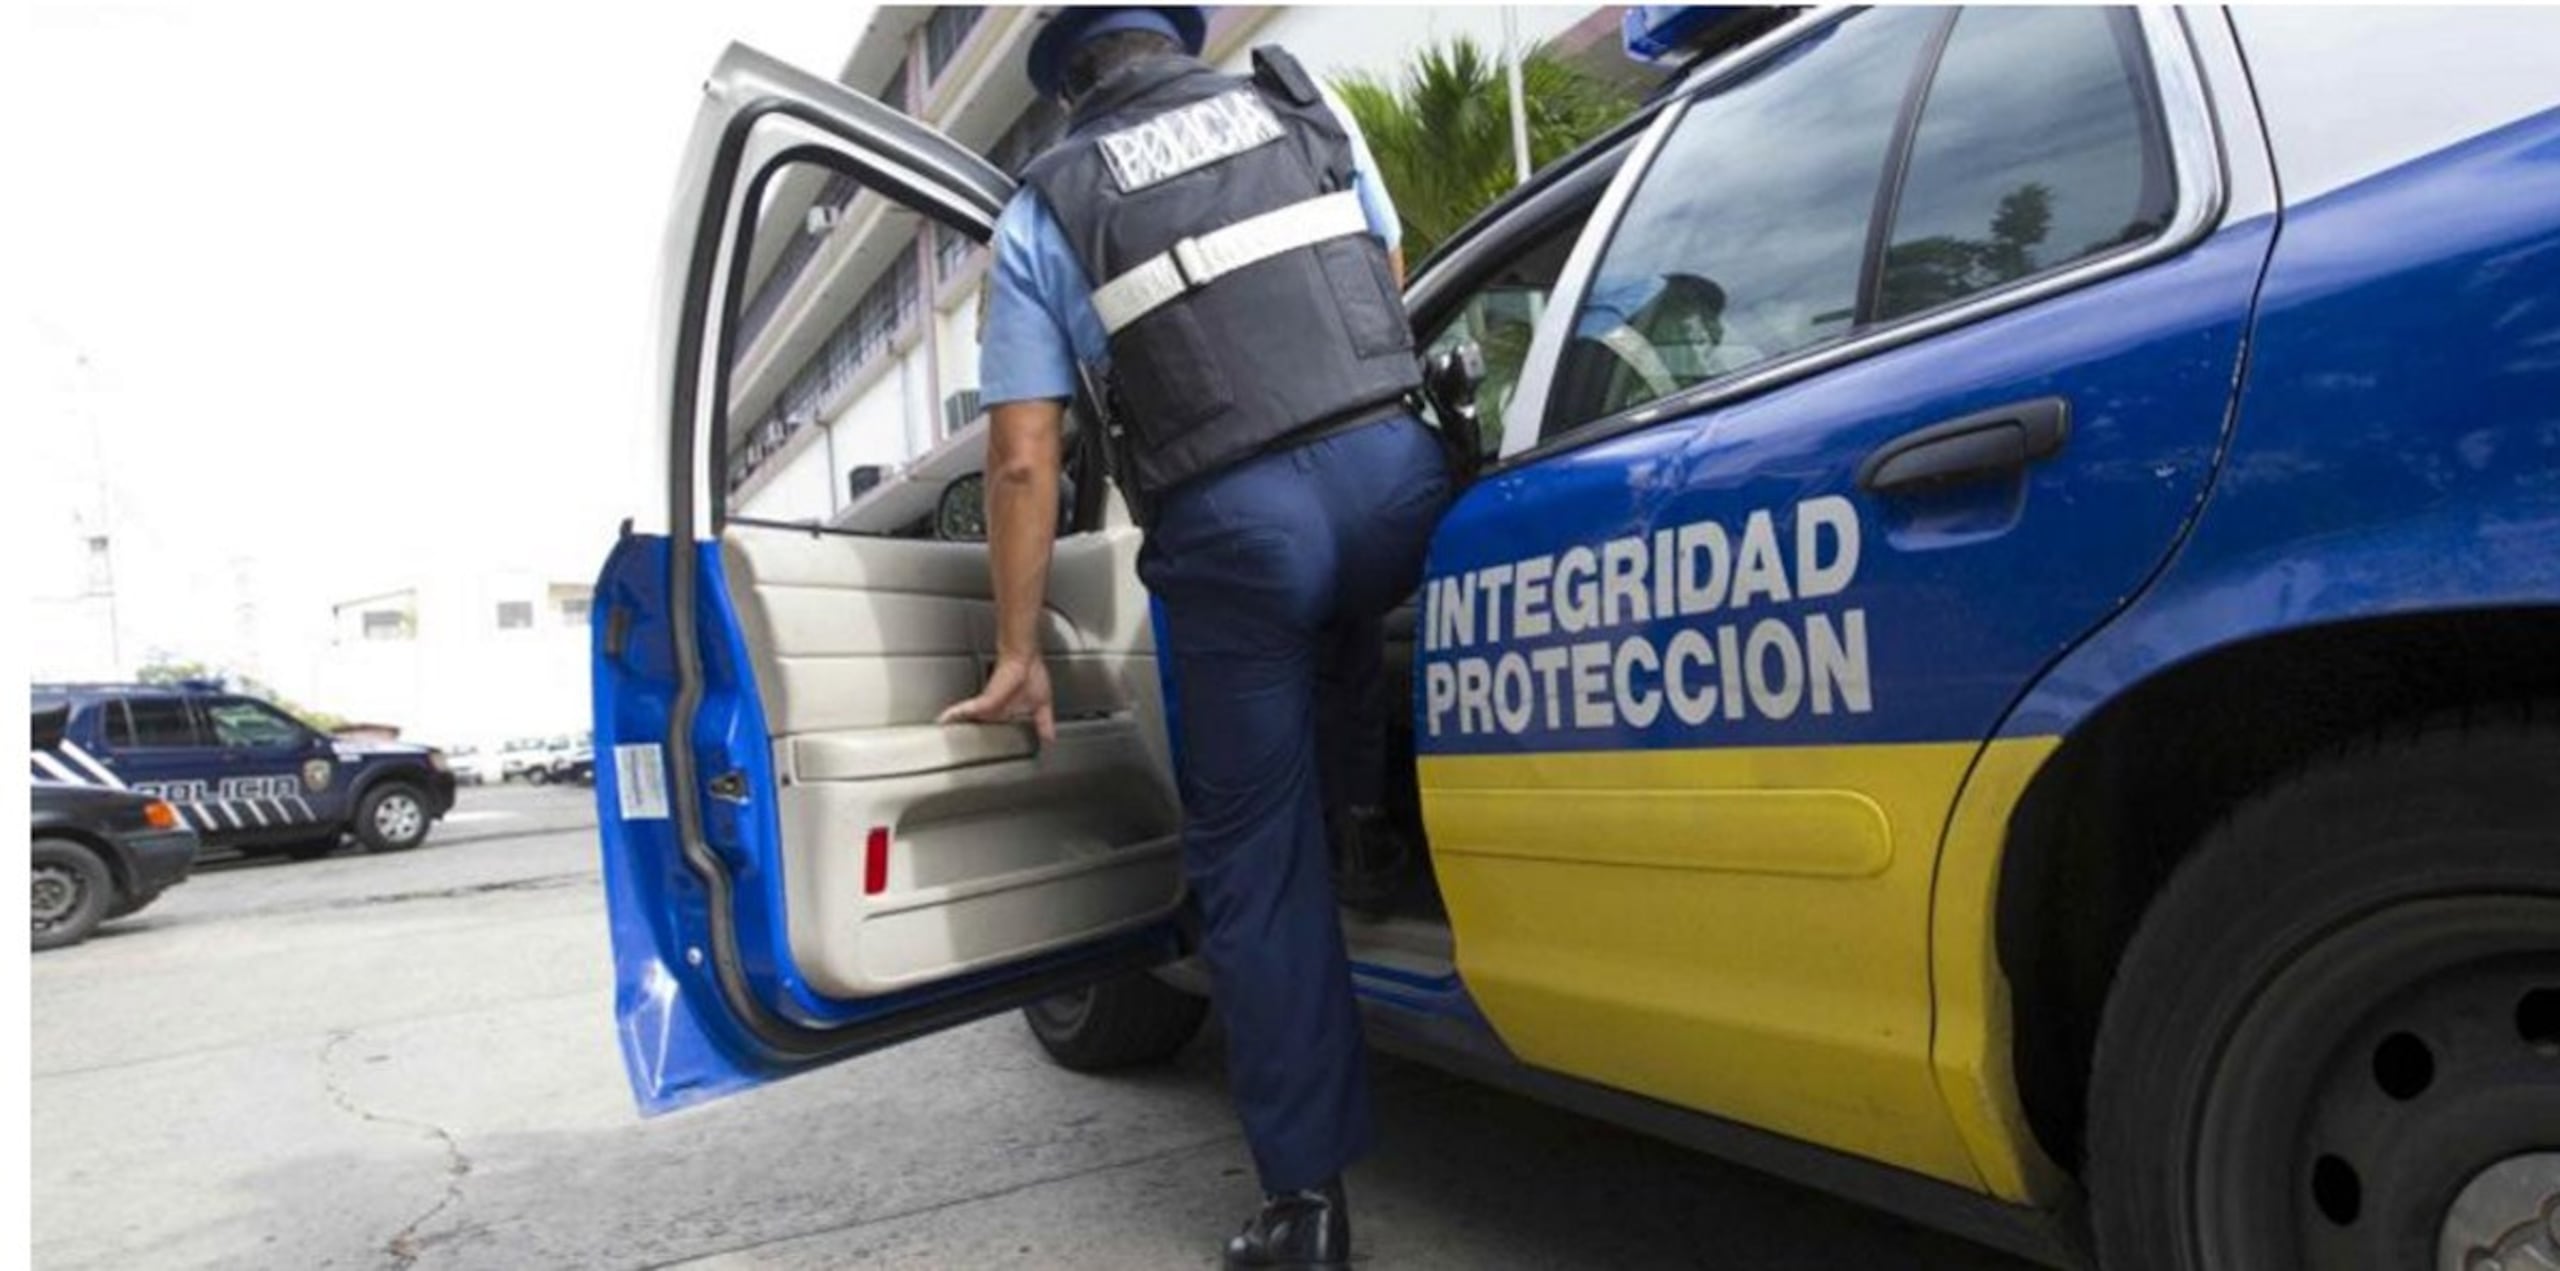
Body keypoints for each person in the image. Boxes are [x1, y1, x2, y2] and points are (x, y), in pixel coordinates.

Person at [937, 7, 1452, 1268]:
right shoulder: (1297, 103)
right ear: (1175, 42)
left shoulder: (1043, 207)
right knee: (1346, 637)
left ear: (1069, 89)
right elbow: (1384, 294)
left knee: (1252, 862)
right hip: (1402, 481)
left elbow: (1021, 454)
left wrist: (1017, 649)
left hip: (1238, 530)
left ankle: (1305, 1208)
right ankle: (1367, 826)